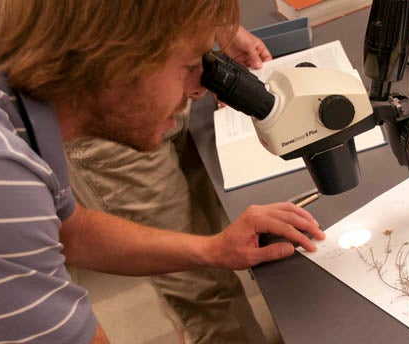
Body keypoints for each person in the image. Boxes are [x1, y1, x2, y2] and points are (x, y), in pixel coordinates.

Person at [0, 1, 323, 343]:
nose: (198, 89)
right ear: (114, 59)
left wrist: (213, 250)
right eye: (189, 67)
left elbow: (69, 232)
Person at [63, 25, 273, 343]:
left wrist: (217, 28)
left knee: (208, 249)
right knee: (200, 286)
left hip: (153, 78)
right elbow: (77, 241)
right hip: (114, 109)